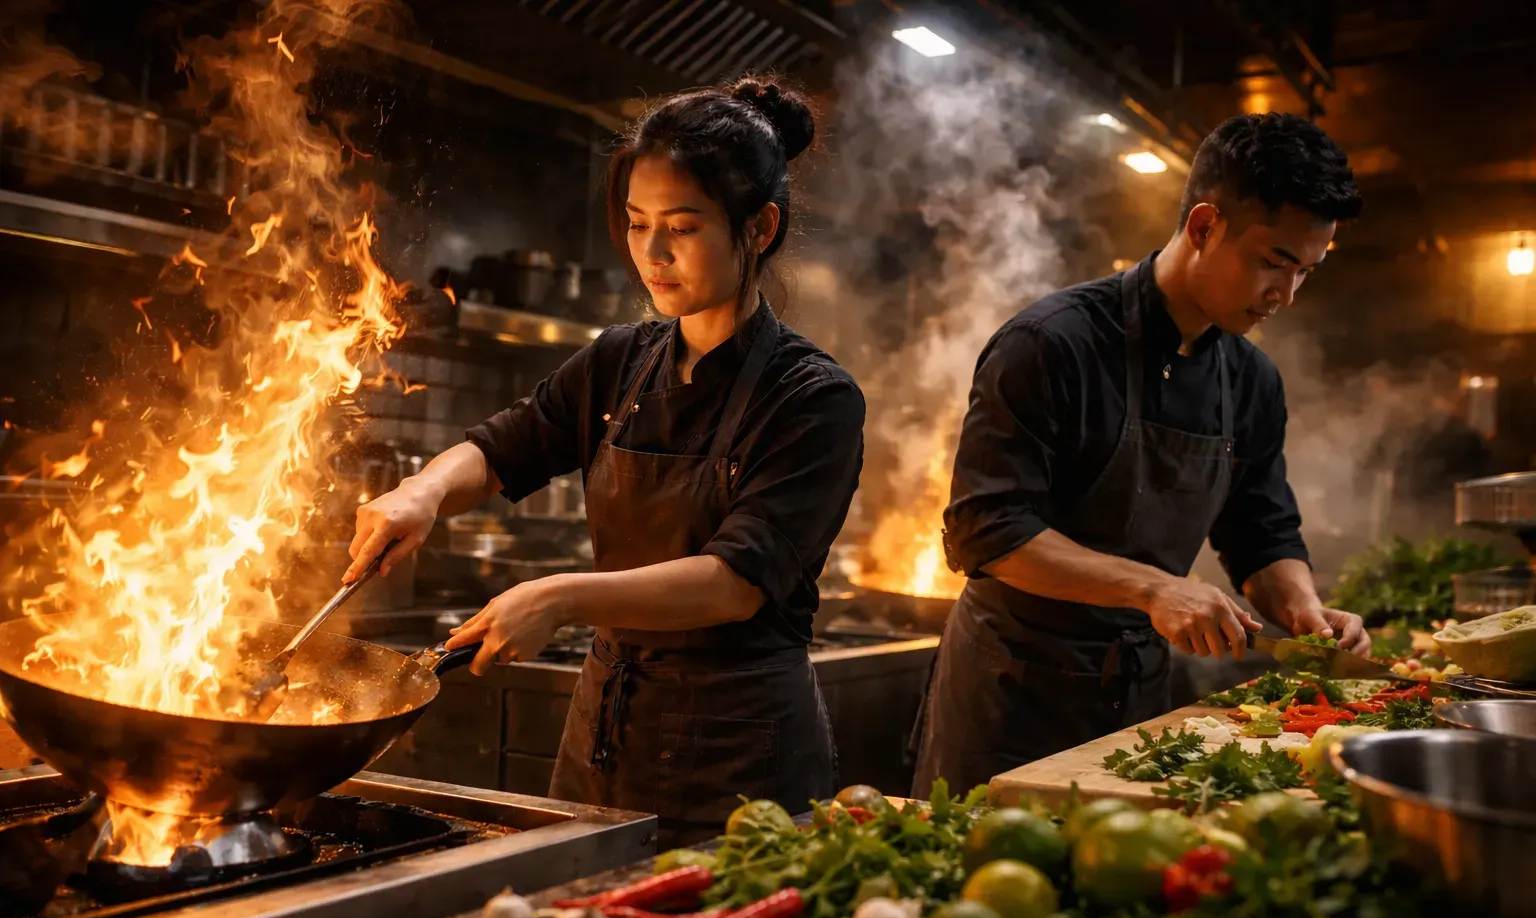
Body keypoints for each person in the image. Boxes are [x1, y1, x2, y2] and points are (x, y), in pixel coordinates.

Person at [346, 76, 864, 848]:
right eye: (636, 223)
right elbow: (502, 447)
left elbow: (734, 584)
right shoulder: (622, 359)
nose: (651, 253)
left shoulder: (811, 397)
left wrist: (559, 596)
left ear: (759, 229)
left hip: (740, 751)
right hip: (605, 733)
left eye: (682, 228)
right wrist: (420, 493)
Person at [912, 113, 1369, 797]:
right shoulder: (1050, 344)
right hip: (1010, 695)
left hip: (1140, 703)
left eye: (1307, 271)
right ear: (1204, 225)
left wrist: (1305, 611)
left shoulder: (1251, 381)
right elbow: (988, 530)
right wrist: (1153, 587)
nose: (1287, 294)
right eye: (1273, 262)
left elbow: (1259, 530)